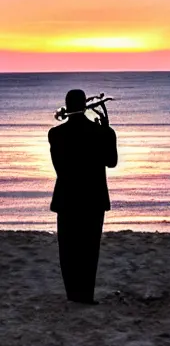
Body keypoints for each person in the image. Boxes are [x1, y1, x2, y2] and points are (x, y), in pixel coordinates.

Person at [48, 89, 118, 305]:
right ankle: (86, 296)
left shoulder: (55, 134)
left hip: (66, 197)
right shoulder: (102, 133)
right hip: (93, 199)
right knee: (90, 248)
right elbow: (112, 162)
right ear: (84, 105)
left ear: (67, 107)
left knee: (68, 249)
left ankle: (72, 295)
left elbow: (59, 168)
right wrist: (108, 132)